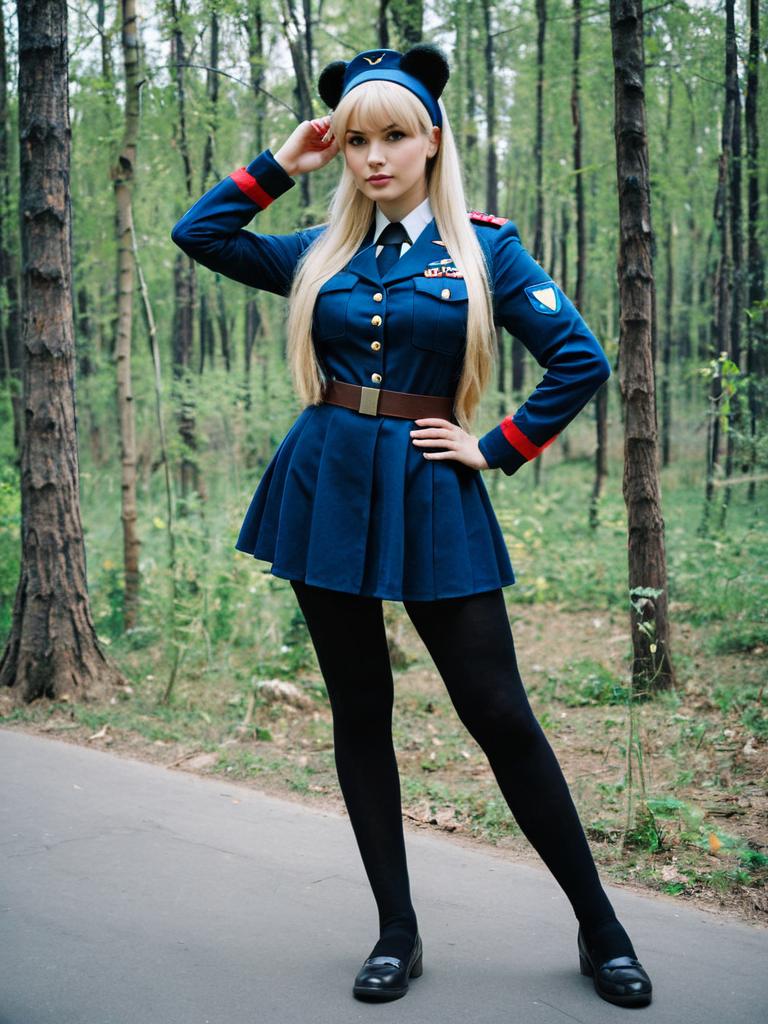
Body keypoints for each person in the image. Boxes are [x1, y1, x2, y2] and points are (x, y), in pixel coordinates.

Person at [171, 43, 653, 1010]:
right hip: (325, 489)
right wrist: (282, 163)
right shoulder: (321, 251)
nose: (375, 156)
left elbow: (580, 357)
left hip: (435, 490)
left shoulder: (486, 249)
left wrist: (499, 444)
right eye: (357, 140)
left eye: (394, 136)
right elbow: (203, 234)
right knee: (362, 709)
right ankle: (396, 930)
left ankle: (602, 928)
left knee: (500, 715)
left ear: (432, 141)